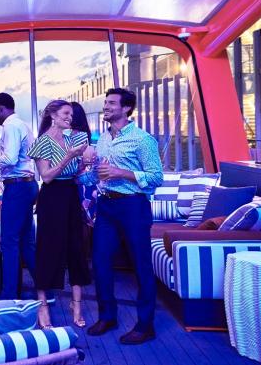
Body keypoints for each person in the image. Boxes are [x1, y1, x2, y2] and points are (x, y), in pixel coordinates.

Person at [79, 88, 163, 345]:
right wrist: (79, 175)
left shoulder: (142, 140)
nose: (105, 106)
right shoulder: (103, 139)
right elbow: (98, 174)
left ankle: (145, 325)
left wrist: (121, 173)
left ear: (126, 108)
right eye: (105, 102)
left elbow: (156, 177)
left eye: (111, 103)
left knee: (141, 264)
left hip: (133, 206)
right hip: (106, 206)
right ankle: (107, 317)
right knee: (100, 261)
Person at [27, 100, 91, 329]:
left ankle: (77, 304)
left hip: (71, 194)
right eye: (65, 113)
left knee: (76, 247)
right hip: (51, 197)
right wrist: (68, 156)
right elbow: (46, 177)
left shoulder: (75, 138)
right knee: (48, 249)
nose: (69, 118)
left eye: (71, 115)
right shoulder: (42, 142)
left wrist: (85, 163)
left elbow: (77, 171)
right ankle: (42, 304)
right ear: (52, 115)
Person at [0, 92, 38, 299]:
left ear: (1, 108)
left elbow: (11, 159)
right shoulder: (22, 125)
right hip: (28, 185)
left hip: (17, 188)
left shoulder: (10, 126)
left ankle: (9, 295)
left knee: (9, 242)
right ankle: (44, 289)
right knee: (26, 242)